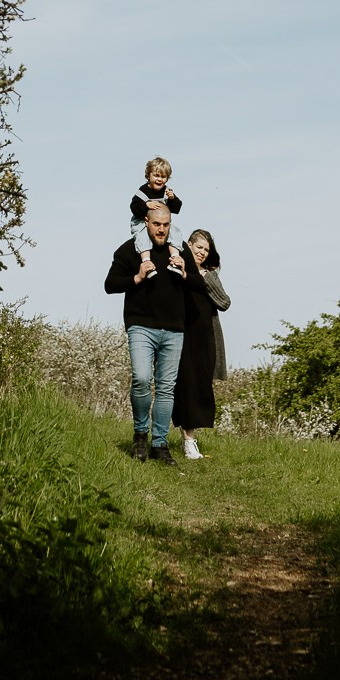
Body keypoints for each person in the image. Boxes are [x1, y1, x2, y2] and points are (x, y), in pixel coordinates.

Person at [104, 200, 207, 464]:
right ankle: (140, 435)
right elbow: (110, 284)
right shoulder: (131, 251)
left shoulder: (180, 250)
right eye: (157, 224)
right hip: (141, 326)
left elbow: (198, 284)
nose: (161, 230)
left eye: (166, 225)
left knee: (166, 389)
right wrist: (137, 277)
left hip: (174, 329)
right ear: (146, 223)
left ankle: (159, 444)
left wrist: (185, 273)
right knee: (140, 378)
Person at [173, 229, 231, 459]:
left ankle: (190, 440)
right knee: (183, 385)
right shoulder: (178, 267)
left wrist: (205, 278)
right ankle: (180, 440)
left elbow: (224, 302)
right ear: (189, 245)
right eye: (199, 247)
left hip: (206, 336)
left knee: (200, 386)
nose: (202, 253)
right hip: (181, 334)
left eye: (206, 250)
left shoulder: (210, 275)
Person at [128, 155, 184, 276]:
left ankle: (175, 259)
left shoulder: (166, 191)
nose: (160, 179)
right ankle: (147, 262)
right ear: (148, 176)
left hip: (161, 223)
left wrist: (172, 199)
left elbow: (177, 208)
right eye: (156, 176)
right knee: (143, 237)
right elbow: (134, 208)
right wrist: (146, 204)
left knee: (175, 232)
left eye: (163, 177)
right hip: (142, 222)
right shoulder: (143, 191)